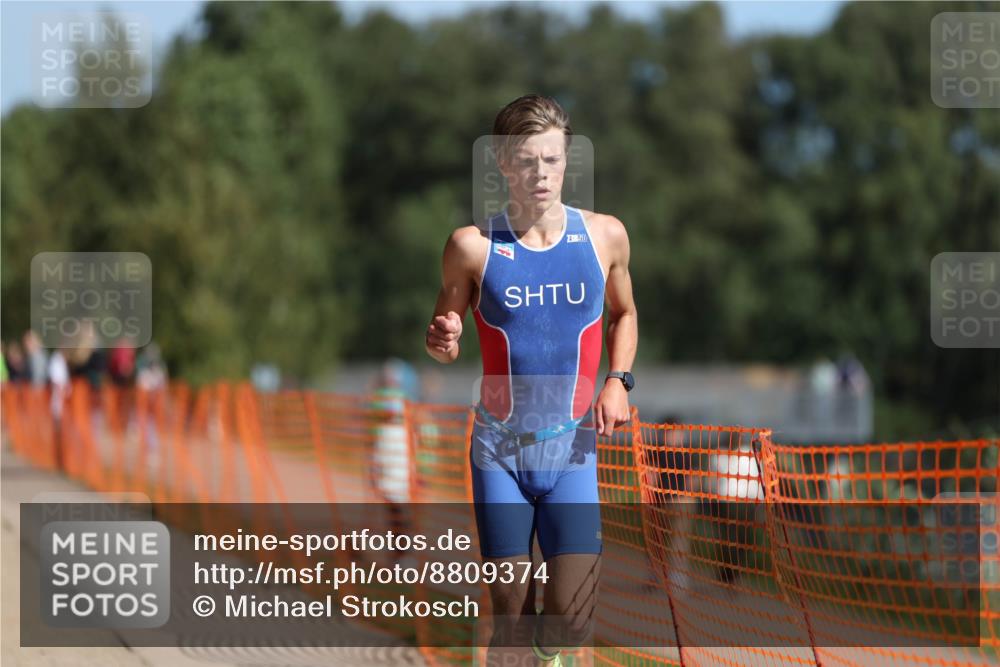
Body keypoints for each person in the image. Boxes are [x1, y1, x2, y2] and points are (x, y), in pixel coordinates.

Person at [425, 94, 638, 667]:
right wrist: (442, 339)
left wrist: (618, 381)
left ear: (567, 161)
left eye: (550, 159)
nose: (539, 173)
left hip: (572, 450)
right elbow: (445, 338)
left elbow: (625, 314)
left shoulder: (604, 237)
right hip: (500, 452)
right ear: (502, 164)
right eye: (525, 160)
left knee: (571, 616)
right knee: (513, 617)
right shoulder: (471, 247)